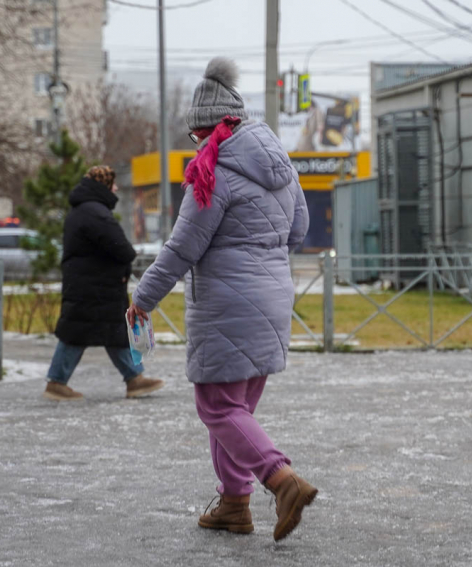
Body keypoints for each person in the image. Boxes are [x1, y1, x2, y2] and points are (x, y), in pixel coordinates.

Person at [128, 58, 315, 541]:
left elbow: (182, 248)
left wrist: (142, 298)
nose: (197, 145)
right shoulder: (281, 166)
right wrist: (259, 257)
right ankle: (234, 505)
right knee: (235, 410)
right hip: (274, 297)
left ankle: (282, 480)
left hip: (229, 304)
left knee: (216, 406)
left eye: (196, 137)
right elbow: (298, 230)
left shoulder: (213, 173)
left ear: (209, 130)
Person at [44, 165, 165, 401]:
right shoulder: (95, 212)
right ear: (104, 186)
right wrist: (128, 256)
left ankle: (134, 379)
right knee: (78, 333)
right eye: (113, 183)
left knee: (109, 331)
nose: (117, 188)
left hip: (92, 285)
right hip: (95, 287)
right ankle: (57, 382)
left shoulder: (84, 210)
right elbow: (121, 248)